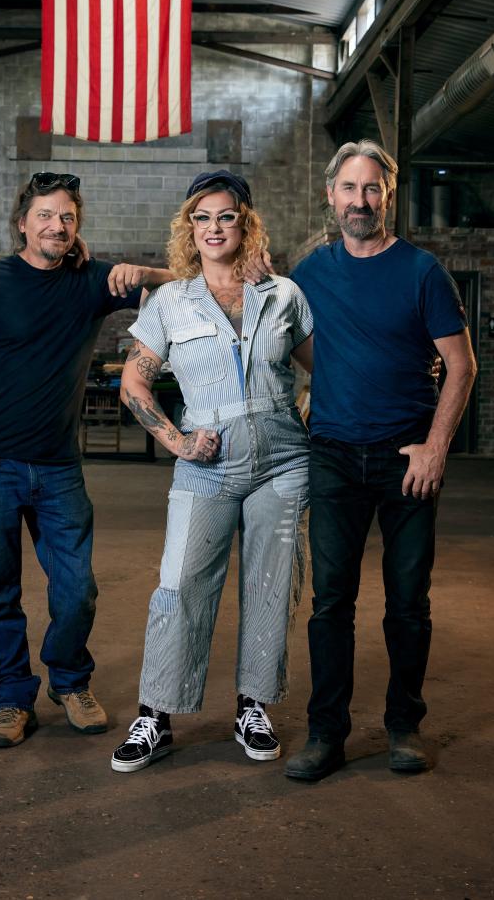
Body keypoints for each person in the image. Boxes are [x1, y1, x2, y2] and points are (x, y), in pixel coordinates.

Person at [0, 172, 172, 749]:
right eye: (46, 215)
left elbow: (194, 286)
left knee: (77, 590)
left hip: (58, 469)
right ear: (23, 221)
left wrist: (144, 274)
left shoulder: (93, 282)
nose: (57, 226)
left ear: (78, 227)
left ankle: (69, 681)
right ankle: (12, 698)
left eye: (68, 217)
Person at [279, 139, 478, 780]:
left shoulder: (423, 272)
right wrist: (332, 384)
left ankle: (402, 726)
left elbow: (462, 365)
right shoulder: (311, 271)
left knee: (407, 603)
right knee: (331, 603)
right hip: (333, 456)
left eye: (372, 189)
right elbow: (306, 350)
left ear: (387, 197)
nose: (360, 200)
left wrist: (435, 446)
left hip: (405, 460)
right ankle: (326, 733)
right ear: (330, 196)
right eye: (349, 188)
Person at [108, 170, 314, 773]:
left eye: (227, 216)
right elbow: (133, 382)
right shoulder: (171, 302)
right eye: (203, 217)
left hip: (283, 461)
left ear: (244, 224)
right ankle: (156, 715)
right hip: (208, 461)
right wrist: (175, 441)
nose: (215, 227)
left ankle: (253, 706)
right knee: (179, 583)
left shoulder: (283, 294)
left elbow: (323, 369)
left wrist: (300, 418)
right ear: (189, 228)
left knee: (271, 585)